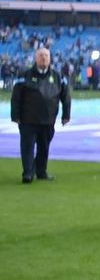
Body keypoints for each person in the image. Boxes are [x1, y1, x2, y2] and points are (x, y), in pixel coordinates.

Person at [10, 47, 70, 183]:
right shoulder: (24, 75)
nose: (44, 58)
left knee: (44, 147)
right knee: (27, 147)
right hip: (28, 119)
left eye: (46, 56)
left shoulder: (58, 76)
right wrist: (16, 116)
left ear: (50, 59)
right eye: (41, 55)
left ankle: (41, 171)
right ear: (36, 58)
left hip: (48, 120)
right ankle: (28, 173)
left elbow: (66, 97)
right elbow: (16, 97)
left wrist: (66, 115)